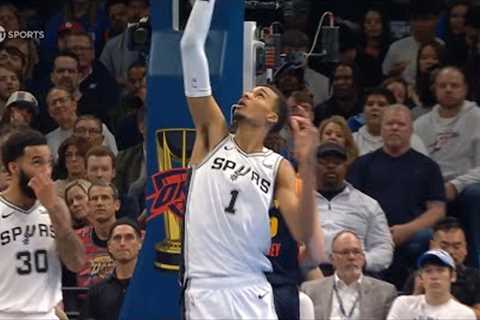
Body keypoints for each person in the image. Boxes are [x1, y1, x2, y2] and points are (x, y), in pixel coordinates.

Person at [179, 0, 323, 318]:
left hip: (252, 288)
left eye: (259, 94)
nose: (247, 94)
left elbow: (301, 232)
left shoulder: (278, 166)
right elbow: (190, 47)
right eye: (249, 92)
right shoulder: (212, 135)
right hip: (205, 289)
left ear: (272, 116)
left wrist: (308, 162)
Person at [348, 105, 446, 288]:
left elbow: (437, 210)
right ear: (381, 129)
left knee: (425, 237)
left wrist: (408, 229)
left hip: (412, 236)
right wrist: (379, 232)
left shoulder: (428, 167)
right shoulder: (362, 165)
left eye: (400, 124)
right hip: (370, 234)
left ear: (411, 129)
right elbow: (350, 205)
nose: (394, 128)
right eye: (389, 124)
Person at [0, 128, 85, 319]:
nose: (46, 171)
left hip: (46, 313)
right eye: (37, 163)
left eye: (49, 163)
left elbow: (77, 263)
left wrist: (53, 208)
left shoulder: (57, 207)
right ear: (14, 168)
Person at [414, 66, 480, 267]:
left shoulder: (477, 118)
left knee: (474, 194)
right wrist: (434, 187)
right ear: (434, 89)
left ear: (465, 89)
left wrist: (455, 185)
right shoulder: (420, 124)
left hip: (466, 189)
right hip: (431, 192)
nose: (449, 89)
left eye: (454, 85)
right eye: (443, 85)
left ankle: (475, 266)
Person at [314, 142, 393, 274]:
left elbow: (383, 248)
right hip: (310, 272)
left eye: (337, 163)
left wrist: (360, 260)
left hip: (356, 271)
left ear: (346, 167)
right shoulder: (299, 203)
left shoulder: (368, 205)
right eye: (324, 162)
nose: (330, 166)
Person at [301, 230, 397, 320]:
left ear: (363, 258)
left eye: (356, 252)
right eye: (345, 252)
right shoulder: (310, 290)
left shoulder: (385, 292)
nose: (351, 257)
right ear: (332, 259)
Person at [404, 217, 480, 318]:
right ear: (432, 246)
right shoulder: (417, 277)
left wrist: (445, 298)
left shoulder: (476, 277)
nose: (451, 252)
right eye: (444, 247)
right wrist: (417, 293)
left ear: (465, 248)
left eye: (457, 246)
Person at [387, 249, 476, 320]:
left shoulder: (464, 314)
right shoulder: (403, 304)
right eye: (428, 271)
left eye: (440, 270)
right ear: (421, 277)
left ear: (452, 276)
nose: (434, 276)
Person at [80, 218, 142, 320]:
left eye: (129, 237)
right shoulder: (96, 293)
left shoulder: (151, 289)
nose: (122, 243)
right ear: (109, 246)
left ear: (140, 243)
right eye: (117, 238)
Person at [353, 87, 428, 156]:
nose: (374, 108)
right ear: (363, 110)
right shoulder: (353, 139)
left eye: (381, 104)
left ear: (392, 109)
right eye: (370, 104)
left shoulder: (411, 139)